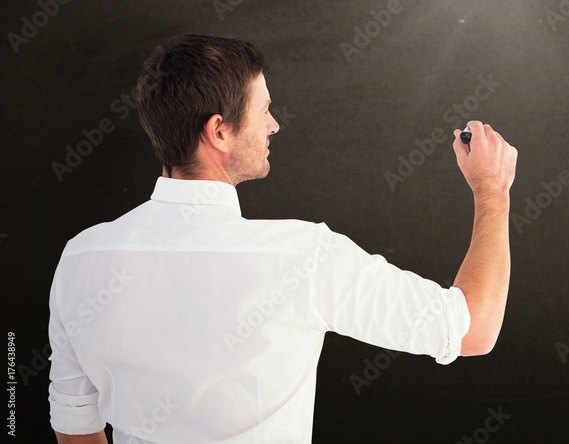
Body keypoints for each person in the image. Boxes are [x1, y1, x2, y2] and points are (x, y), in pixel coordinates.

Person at [47, 34, 517, 444]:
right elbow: (473, 329)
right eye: (264, 110)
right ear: (219, 131)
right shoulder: (304, 257)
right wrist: (491, 191)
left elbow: (74, 428)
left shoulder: (81, 258)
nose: (274, 125)